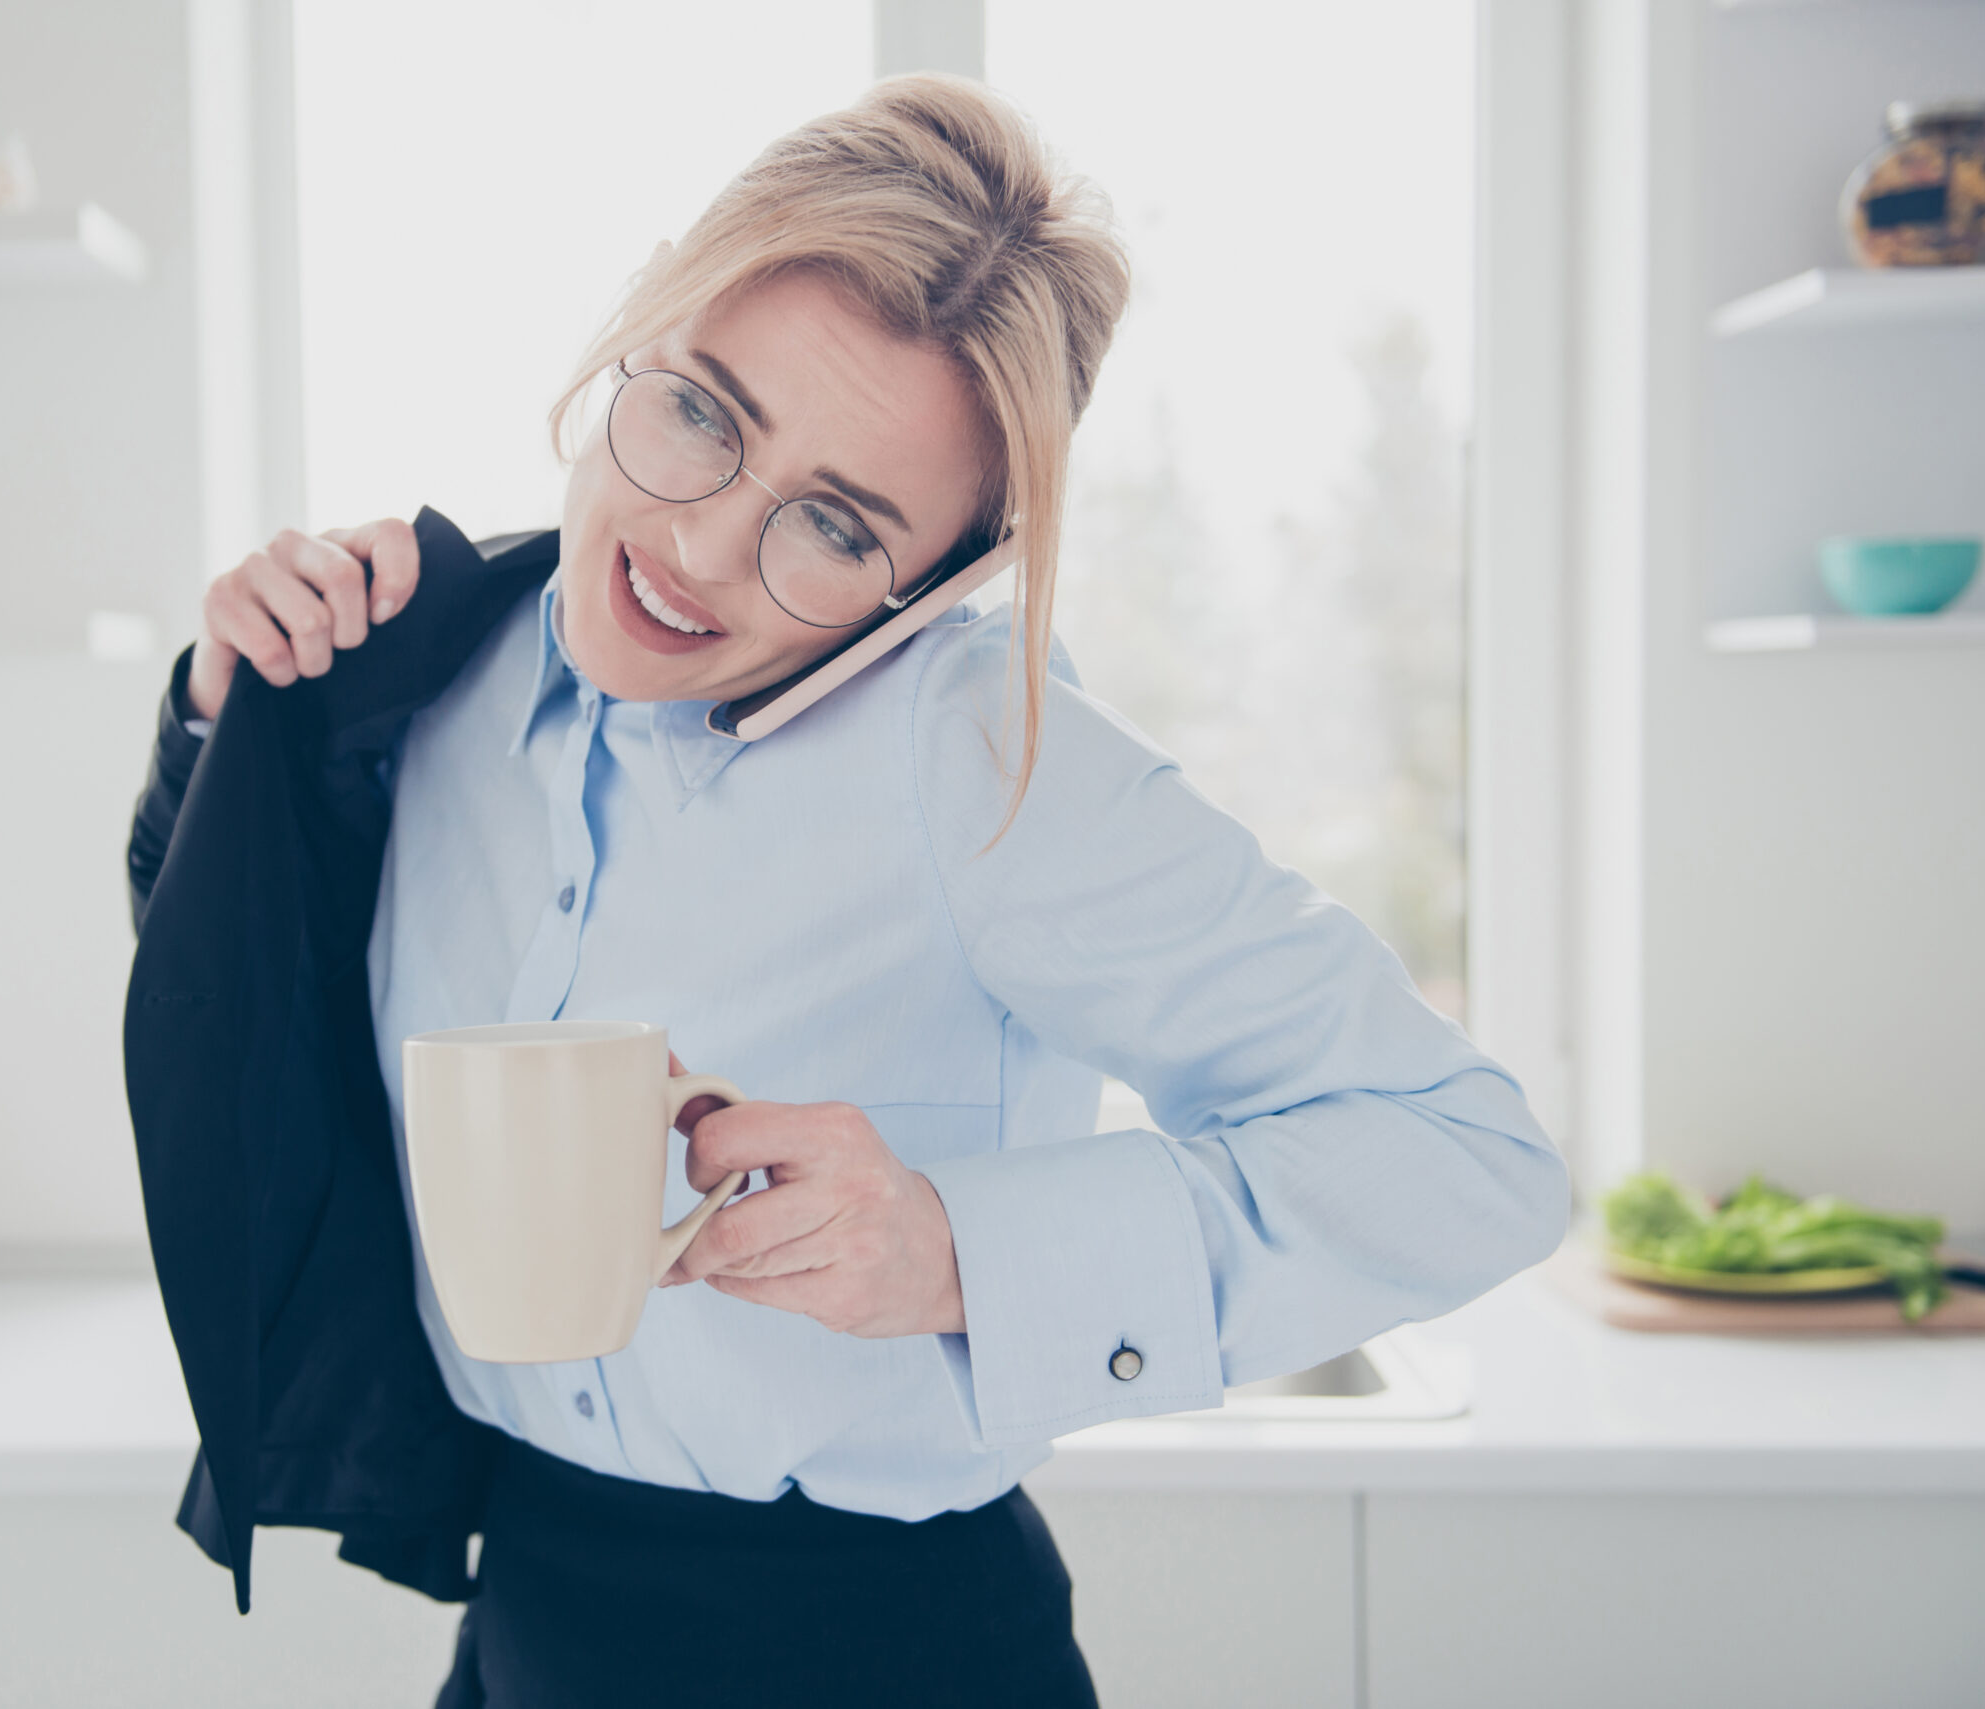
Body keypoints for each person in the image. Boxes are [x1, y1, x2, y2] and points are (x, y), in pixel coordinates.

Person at [166, 73, 1566, 1709]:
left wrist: (958, 1250)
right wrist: (230, 716)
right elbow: (245, 1006)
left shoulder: (978, 752)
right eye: (702, 412)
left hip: (883, 1652)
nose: (697, 550)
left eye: (833, 524)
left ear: (948, 575)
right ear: (652, 307)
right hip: (528, 1622)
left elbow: (1472, 1156)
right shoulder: (429, 675)